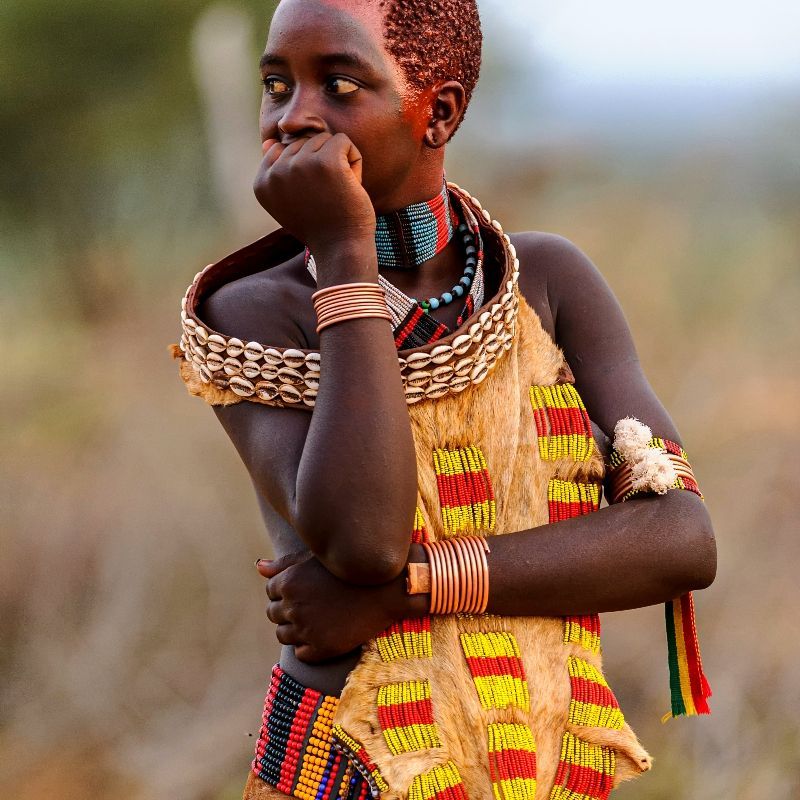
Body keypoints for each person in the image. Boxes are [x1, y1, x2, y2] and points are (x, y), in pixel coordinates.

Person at [173, 0, 717, 797]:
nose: (294, 118)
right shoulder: (251, 310)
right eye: (276, 85)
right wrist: (344, 256)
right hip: (354, 763)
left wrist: (407, 591)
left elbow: (680, 539)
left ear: (440, 111)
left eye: (340, 84)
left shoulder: (546, 286)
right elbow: (362, 542)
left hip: (542, 764)